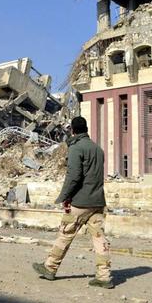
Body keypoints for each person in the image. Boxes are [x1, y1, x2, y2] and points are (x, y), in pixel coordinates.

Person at [32, 116, 113, 289]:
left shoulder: (76, 148)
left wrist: (64, 197)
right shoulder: (98, 149)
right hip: (97, 202)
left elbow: (74, 176)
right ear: (86, 129)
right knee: (100, 239)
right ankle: (104, 276)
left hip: (80, 202)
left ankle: (49, 268)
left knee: (65, 234)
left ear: (73, 130)